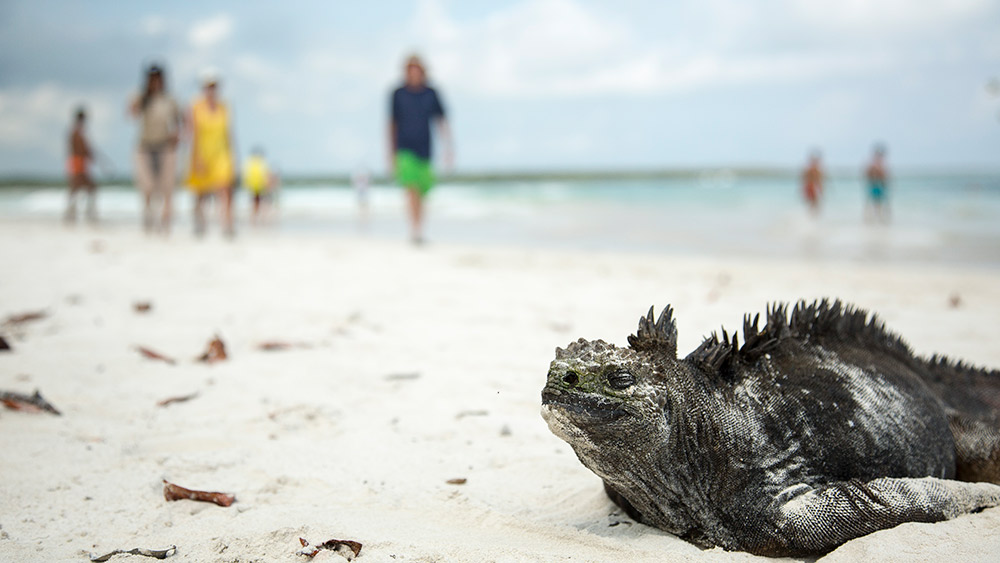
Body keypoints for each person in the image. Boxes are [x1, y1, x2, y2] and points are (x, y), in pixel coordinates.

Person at [388, 54, 453, 244]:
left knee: (423, 193)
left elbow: (441, 121)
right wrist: (390, 154)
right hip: (404, 149)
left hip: (425, 149)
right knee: (412, 189)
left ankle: (419, 229)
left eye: (417, 70)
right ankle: (414, 231)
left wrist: (448, 148)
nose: (414, 74)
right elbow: (391, 124)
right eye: (410, 70)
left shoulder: (431, 93)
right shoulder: (397, 94)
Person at [129, 63, 183, 235]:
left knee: (167, 187)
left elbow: (181, 119)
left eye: (158, 78)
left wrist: (177, 134)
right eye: (152, 78)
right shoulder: (142, 98)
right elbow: (132, 112)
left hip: (165, 147)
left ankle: (165, 223)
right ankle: (148, 217)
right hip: (145, 146)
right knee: (147, 186)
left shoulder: (170, 99)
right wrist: (144, 96)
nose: (156, 82)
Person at [186, 69, 236, 237]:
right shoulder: (195, 107)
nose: (211, 90)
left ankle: (227, 225)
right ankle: (200, 223)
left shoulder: (225, 107)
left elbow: (229, 134)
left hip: (222, 154)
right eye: (208, 86)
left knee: (225, 190)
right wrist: (196, 158)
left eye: (214, 86)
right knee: (201, 192)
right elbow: (193, 134)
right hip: (202, 153)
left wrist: (233, 156)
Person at [65, 107, 98, 224]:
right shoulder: (76, 133)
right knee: (81, 188)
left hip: (79, 162)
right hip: (78, 162)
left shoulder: (78, 132)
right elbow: (79, 149)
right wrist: (88, 153)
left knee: (79, 189)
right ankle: (80, 214)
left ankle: (74, 213)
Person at [243, 147, 276, 226]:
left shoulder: (249, 162)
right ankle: (262, 217)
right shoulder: (262, 162)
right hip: (261, 184)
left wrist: (246, 184)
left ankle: (254, 218)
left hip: (252, 185)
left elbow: (246, 174)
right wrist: (270, 183)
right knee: (263, 201)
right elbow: (267, 173)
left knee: (255, 202)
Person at [864, 144, 890, 224]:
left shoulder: (881, 166)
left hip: (880, 187)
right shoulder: (873, 166)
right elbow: (867, 175)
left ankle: (880, 219)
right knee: (873, 204)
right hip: (874, 186)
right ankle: (870, 220)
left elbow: (885, 178)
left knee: (880, 204)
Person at [801, 150, 824, 216]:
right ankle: (812, 218)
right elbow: (818, 181)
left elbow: (804, 180)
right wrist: (821, 190)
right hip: (811, 187)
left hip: (808, 187)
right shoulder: (814, 169)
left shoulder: (808, 169)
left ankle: (809, 218)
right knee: (814, 204)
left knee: (812, 204)